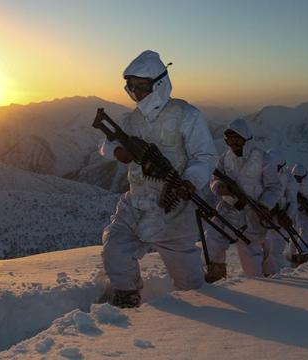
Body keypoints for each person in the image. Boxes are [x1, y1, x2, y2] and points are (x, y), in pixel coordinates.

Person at [98, 50, 217, 308]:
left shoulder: (186, 115)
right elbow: (106, 145)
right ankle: (126, 297)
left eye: (142, 86)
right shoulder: (130, 120)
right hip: (136, 202)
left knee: (190, 284)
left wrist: (190, 181)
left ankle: (203, 327)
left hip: (173, 207)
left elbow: (205, 155)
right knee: (114, 249)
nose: (136, 93)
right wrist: (119, 152)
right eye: (131, 87)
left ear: (160, 84)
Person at [204, 118, 282, 282]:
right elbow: (214, 178)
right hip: (228, 208)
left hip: (253, 213)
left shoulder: (263, 158)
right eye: (230, 139)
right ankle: (216, 279)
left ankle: (261, 286)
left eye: (236, 138)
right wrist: (219, 187)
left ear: (245, 138)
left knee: (251, 258)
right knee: (212, 238)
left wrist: (264, 205)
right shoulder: (225, 158)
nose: (233, 142)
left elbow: (274, 187)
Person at [262, 148, 298, 276]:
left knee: (275, 251)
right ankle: (261, 278)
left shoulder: (289, 179)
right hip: (262, 216)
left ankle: (272, 280)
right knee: (263, 250)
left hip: (280, 219)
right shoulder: (261, 173)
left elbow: (293, 201)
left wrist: (287, 215)